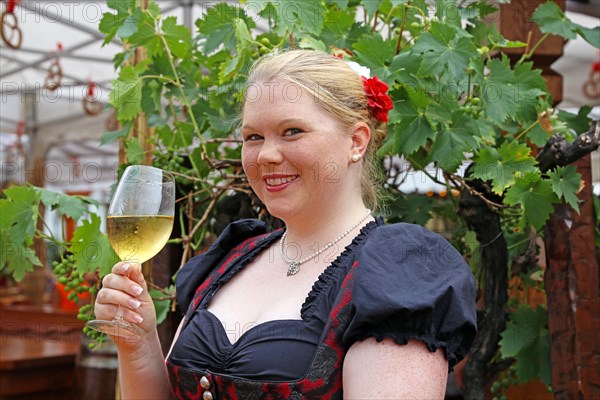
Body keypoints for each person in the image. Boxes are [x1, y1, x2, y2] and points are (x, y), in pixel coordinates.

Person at [94, 49, 477, 399]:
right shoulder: (231, 259)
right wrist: (139, 343)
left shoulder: (399, 273)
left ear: (356, 141)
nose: (266, 155)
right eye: (253, 136)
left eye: (292, 131)